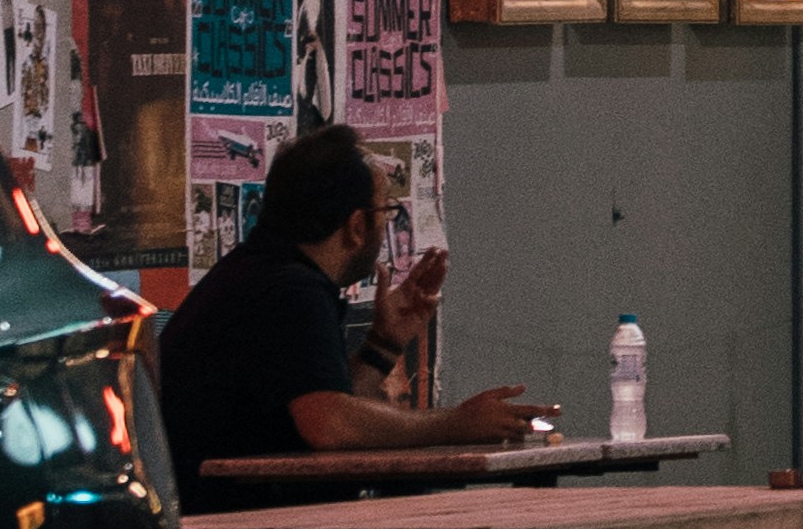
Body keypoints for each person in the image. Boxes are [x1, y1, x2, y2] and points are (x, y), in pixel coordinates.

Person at [152, 123, 549, 497]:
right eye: (385, 213)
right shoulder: (288, 290)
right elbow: (328, 424)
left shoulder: (264, 272)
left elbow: (328, 406)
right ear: (357, 225)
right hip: (227, 528)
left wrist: (384, 343)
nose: (385, 229)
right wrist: (456, 424)